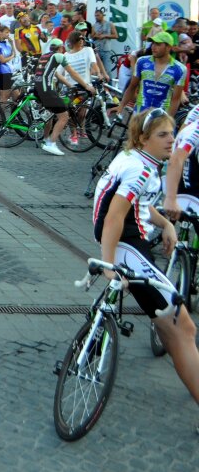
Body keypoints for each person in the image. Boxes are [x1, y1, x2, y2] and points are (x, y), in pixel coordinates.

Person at [94, 109, 199, 415]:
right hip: (126, 244)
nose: (172, 140)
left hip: (129, 239)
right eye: (163, 135)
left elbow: (138, 205)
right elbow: (115, 216)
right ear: (143, 138)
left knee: (173, 328)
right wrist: (108, 265)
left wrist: (165, 224)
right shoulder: (140, 170)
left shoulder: (138, 160)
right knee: (185, 328)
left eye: (172, 133)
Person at [33, 37, 95, 156]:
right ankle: (51, 143)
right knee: (64, 116)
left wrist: (69, 85)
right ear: (61, 47)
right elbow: (72, 72)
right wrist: (86, 86)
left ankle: (46, 139)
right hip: (47, 90)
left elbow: (56, 74)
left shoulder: (45, 56)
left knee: (50, 114)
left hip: (38, 89)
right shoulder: (59, 56)